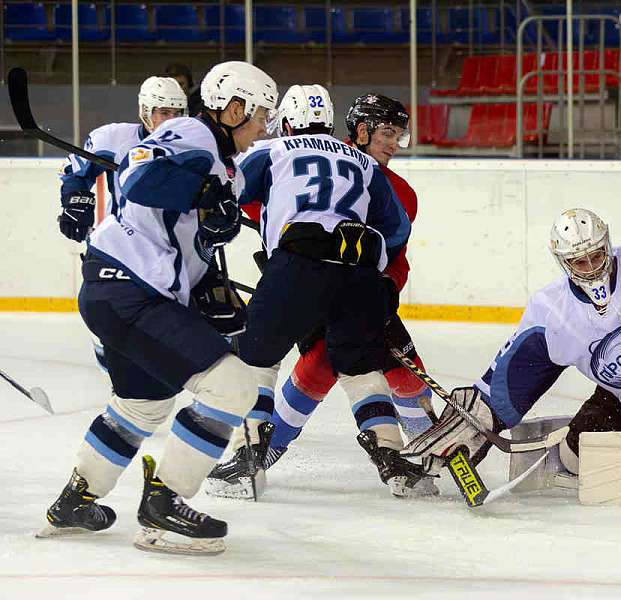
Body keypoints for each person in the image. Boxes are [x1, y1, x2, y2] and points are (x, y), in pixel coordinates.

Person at [38, 61, 278, 556]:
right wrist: (204, 194)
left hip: (117, 290)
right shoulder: (193, 131)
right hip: (130, 291)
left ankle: (76, 501)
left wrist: (212, 286)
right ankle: (163, 507)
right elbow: (141, 176)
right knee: (232, 386)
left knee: (142, 404)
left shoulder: (221, 162)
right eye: (258, 117)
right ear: (232, 109)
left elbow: (185, 235)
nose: (262, 130)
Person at [402, 208, 621, 481]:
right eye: (579, 262)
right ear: (563, 263)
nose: (591, 268)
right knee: (574, 459)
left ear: (607, 245)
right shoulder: (552, 312)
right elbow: (512, 378)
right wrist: (478, 419)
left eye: (597, 256)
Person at [207, 93, 437, 499]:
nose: (393, 143)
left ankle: (250, 458)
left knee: (256, 355)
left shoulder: (273, 149)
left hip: (299, 266)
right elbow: (396, 233)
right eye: (388, 133)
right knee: (361, 366)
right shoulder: (367, 168)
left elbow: (228, 189)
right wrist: (378, 280)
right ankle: (394, 460)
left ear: (287, 124)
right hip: (362, 275)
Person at [58, 75, 187, 243]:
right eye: (164, 113)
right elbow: (75, 171)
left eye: (177, 114)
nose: (172, 121)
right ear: (146, 111)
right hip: (122, 244)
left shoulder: (193, 146)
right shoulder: (116, 139)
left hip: (174, 245)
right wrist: (76, 202)